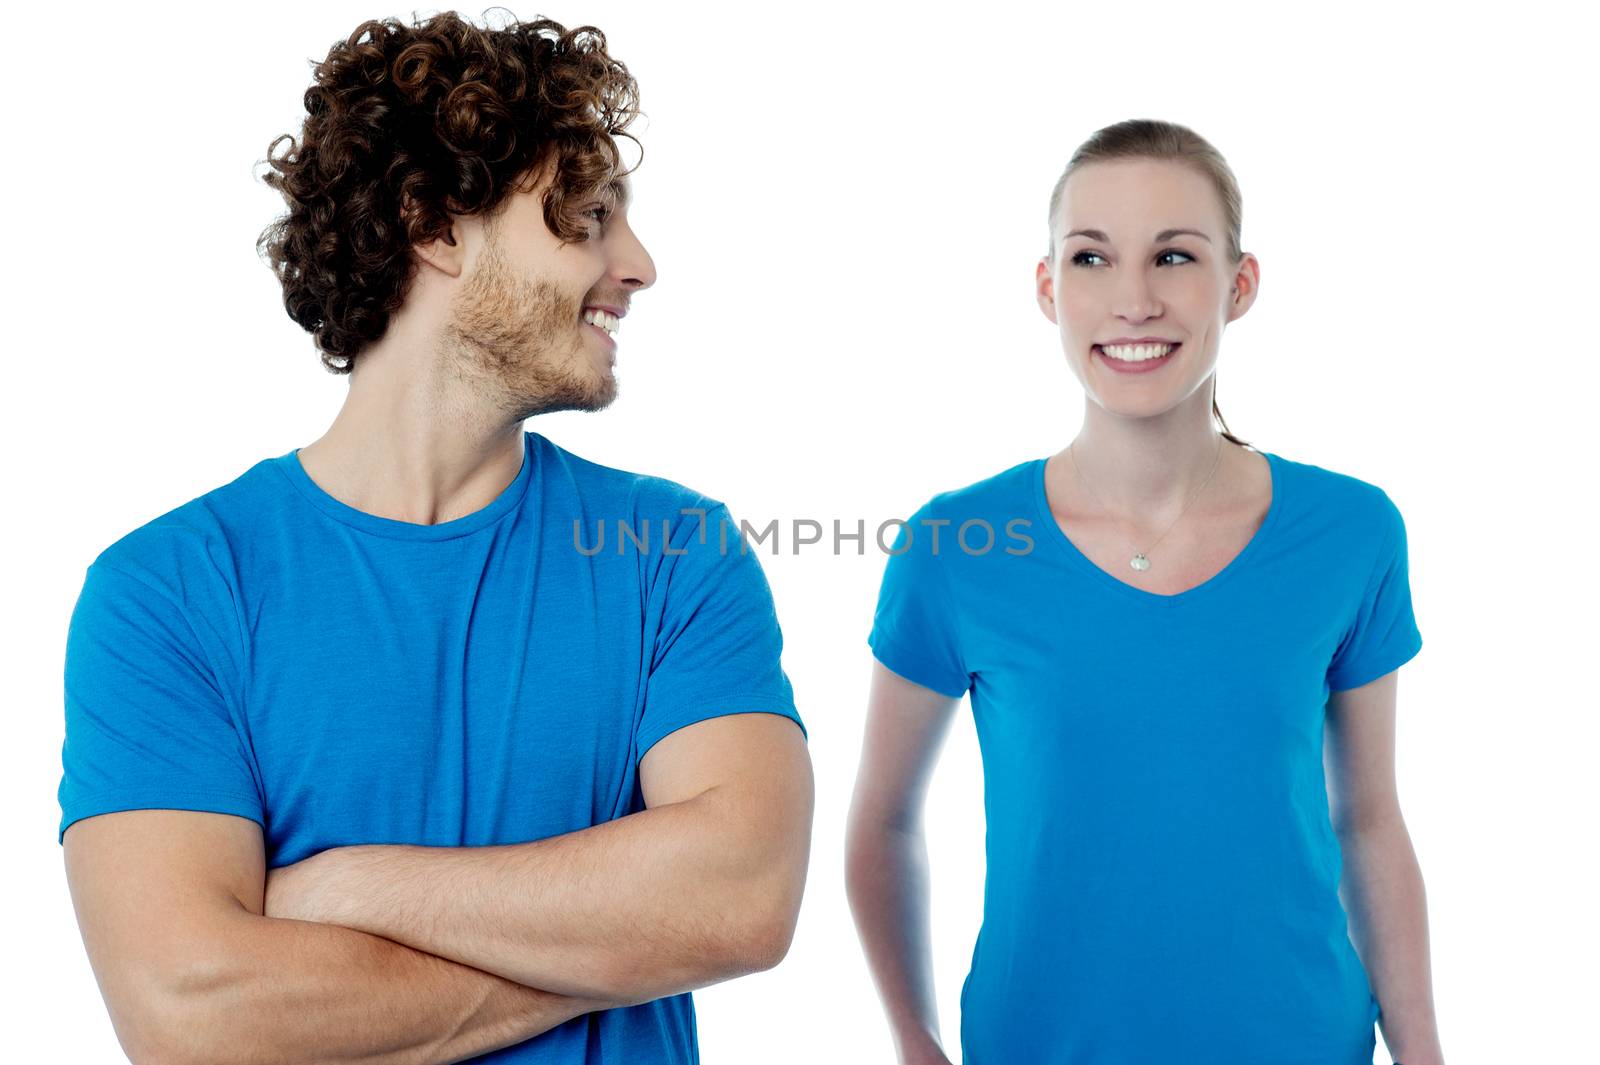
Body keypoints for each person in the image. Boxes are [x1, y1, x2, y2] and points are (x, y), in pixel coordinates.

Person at [56, 13, 812, 1065]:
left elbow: (740, 900)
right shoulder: (171, 590)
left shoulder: (676, 551)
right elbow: (191, 1017)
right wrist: (618, 942)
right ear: (435, 225)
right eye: (586, 217)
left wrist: (345, 888)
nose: (637, 264)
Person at [845, 118, 1443, 1065]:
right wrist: (916, 1043)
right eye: (1091, 257)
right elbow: (882, 819)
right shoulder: (953, 547)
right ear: (1048, 288)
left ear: (1238, 286)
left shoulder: (1353, 532)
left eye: (1174, 256)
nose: (1132, 300)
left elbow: (1368, 817)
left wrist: (1424, 1054)